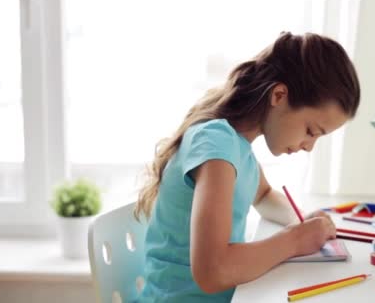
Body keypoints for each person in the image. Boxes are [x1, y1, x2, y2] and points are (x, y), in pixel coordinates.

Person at [135, 32, 361, 302]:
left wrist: (302, 220)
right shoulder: (217, 145)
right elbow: (212, 271)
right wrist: (295, 240)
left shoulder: (238, 147)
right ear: (279, 95)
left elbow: (263, 196)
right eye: (311, 130)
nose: (309, 146)